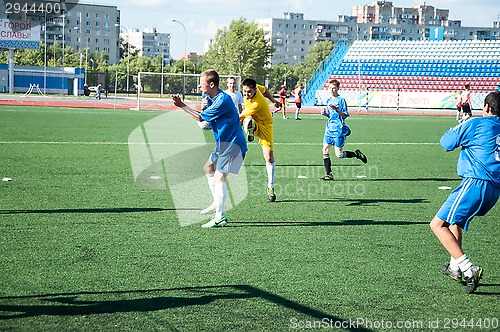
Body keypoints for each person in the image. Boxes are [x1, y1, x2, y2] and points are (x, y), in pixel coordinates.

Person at [430, 91, 500, 294]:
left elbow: (446, 143)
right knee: (454, 222)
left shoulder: (476, 123)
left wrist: (460, 125)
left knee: (437, 224)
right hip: (494, 189)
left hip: (476, 183)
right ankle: (454, 267)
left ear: (486, 108)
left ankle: (469, 269)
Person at [172, 69, 248, 228]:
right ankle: (217, 203)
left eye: (202, 84)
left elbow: (200, 119)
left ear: (211, 84)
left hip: (233, 145)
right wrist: (204, 105)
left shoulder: (222, 101)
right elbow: (205, 124)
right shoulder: (211, 98)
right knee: (208, 168)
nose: (199, 86)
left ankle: (220, 217)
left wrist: (182, 105)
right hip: (223, 144)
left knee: (219, 178)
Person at [240, 78, 281, 202]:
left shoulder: (256, 104)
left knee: (268, 157)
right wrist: (274, 101)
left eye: (249, 92)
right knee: (248, 119)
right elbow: (265, 90)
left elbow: (239, 117)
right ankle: (250, 129)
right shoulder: (256, 87)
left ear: (253, 89)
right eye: (244, 91)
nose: (246, 94)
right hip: (253, 119)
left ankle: (270, 186)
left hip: (265, 126)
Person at [320, 79, 367, 181]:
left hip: (338, 130)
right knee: (325, 150)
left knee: (339, 155)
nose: (332, 90)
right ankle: (329, 174)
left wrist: (337, 110)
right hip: (329, 129)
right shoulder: (328, 100)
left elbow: (345, 116)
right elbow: (331, 116)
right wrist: (325, 114)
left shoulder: (341, 100)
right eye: (330, 88)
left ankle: (356, 154)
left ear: (338, 88)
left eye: (334, 88)